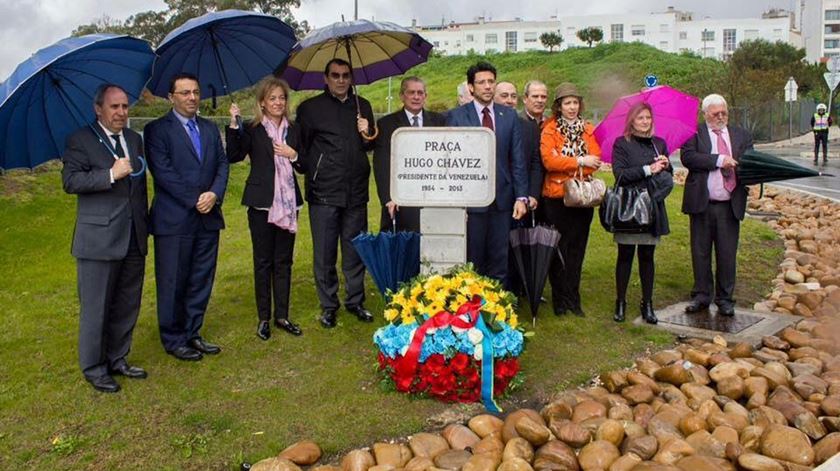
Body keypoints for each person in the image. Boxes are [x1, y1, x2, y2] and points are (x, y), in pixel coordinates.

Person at [61, 84, 149, 393]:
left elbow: (139, 189)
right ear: (99, 109)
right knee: (96, 307)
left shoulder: (135, 140)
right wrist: (110, 174)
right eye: (114, 107)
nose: (121, 113)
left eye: (125, 106)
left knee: (127, 303)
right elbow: (70, 181)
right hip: (99, 239)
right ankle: (94, 367)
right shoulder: (80, 140)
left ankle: (118, 358)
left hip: (134, 236)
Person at [144, 73, 229, 360]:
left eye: (195, 91)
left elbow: (222, 164)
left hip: (208, 217)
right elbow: (163, 172)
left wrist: (214, 194)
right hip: (175, 219)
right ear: (171, 97)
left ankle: (193, 332)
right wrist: (196, 199)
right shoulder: (157, 131)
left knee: (200, 278)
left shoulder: (207, 128)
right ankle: (173, 338)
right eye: (184, 93)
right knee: (173, 280)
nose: (192, 97)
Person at [296, 58, 376, 328]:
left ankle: (355, 300)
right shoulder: (310, 109)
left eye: (345, 75)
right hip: (324, 192)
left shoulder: (361, 106)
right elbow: (303, 148)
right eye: (335, 75)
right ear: (326, 78)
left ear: (351, 78)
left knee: (355, 251)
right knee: (325, 253)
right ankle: (329, 305)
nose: (341, 80)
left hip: (356, 192)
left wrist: (367, 133)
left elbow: (368, 147)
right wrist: (315, 172)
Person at [226, 77, 304, 340]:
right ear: (262, 102)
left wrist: (293, 154)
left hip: (289, 203)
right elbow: (233, 155)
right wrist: (233, 124)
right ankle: (264, 318)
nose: (278, 102)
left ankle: (282, 315)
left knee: (284, 261)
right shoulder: (252, 128)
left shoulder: (294, 129)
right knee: (263, 262)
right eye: (272, 98)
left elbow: (303, 164)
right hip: (261, 203)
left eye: (282, 97)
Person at [447, 62, 528, 283]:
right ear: (471, 87)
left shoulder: (509, 116)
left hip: (502, 201)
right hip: (470, 203)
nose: (487, 86)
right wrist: (455, 202)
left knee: (499, 259)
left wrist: (521, 197)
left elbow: (518, 158)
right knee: (473, 260)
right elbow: (448, 163)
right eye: (481, 82)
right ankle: (473, 312)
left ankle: (497, 311)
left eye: (491, 81)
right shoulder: (455, 117)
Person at [680, 93, 754, 317]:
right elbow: (689, 158)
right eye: (716, 113)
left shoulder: (741, 134)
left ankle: (725, 298)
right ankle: (702, 296)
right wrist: (719, 160)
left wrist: (750, 171)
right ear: (706, 114)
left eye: (724, 112)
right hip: (702, 203)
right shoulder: (694, 133)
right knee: (700, 252)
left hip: (730, 204)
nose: (721, 116)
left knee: (727, 253)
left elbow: (751, 161)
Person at [540, 82, 602, 317]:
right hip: (556, 198)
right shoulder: (550, 129)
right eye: (567, 103)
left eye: (575, 102)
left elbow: (595, 159)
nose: (572, 107)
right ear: (559, 106)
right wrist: (578, 161)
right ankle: (560, 300)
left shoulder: (587, 129)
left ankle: (574, 299)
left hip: (582, 198)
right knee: (559, 249)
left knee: (577, 249)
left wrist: (572, 163)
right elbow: (549, 162)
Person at [610, 102, 673, 324]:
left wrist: (665, 164)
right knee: (625, 255)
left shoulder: (659, 143)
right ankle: (620, 301)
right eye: (640, 118)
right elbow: (620, 174)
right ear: (632, 121)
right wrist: (649, 169)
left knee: (647, 257)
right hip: (630, 207)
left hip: (652, 206)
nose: (645, 122)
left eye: (648, 118)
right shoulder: (622, 144)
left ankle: (647, 303)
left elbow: (668, 175)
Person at [374, 77, 446, 233]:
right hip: (400, 198)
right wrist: (388, 198)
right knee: (403, 246)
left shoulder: (439, 121)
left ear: (425, 96)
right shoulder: (386, 124)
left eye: (420, 93)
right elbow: (382, 163)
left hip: (432, 194)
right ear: (402, 95)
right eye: (411, 92)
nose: (416, 97)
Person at [495, 81, 543, 293]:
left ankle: (514, 293)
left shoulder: (528, 127)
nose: (509, 100)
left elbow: (535, 163)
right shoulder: (486, 124)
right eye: (504, 95)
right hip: (493, 199)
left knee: (516, 247)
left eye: (513, 96)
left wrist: (531, 193)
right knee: (494, 249)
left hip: (519, 198)